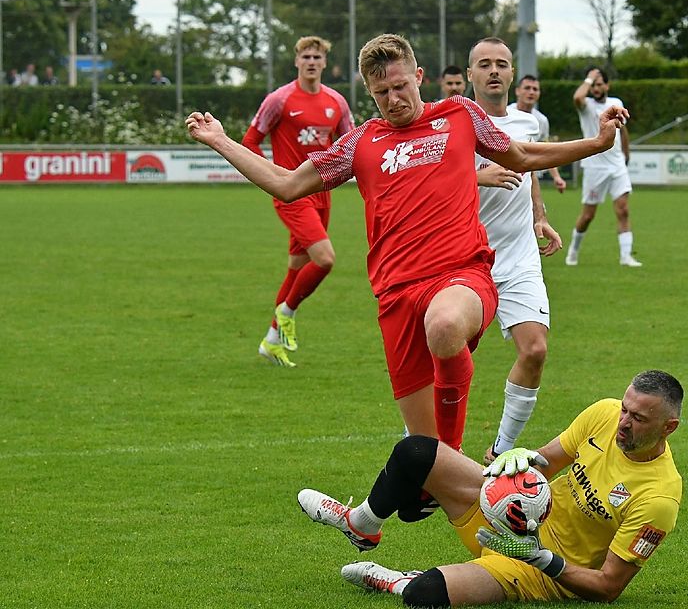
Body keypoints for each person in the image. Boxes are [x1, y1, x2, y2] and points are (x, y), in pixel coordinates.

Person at [186, 33, 629, 452]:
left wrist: (596, 143)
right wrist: (221, 140)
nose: (394, 99)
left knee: (446, 329)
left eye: (401, 86)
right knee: (422, 454)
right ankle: (381, 512)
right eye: (382, 93)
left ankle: (466, 453)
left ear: (418, 77)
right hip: (395, 294)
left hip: (461, 274)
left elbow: (523, 155)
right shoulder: (360, 141)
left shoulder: (458, 114)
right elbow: (286, 184)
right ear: (369, 92)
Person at [297, 369, 683, 607]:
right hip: (509, 514)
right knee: (415, 451)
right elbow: (545, 463)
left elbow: (608, 587)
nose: (623, 422)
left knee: (425, 595)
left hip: (542, 571)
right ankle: (362, 523)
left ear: (668, 427)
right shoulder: (603, 413)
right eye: (624, 409)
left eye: (638, 418)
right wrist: (518, 459)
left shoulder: (659, 498)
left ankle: (396, 579)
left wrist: (540, 559)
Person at [466, 39, 563, 465]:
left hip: (520, 256)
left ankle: (500, 452)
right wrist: (479, 178)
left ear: (511, 74)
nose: (493, 71)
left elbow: (528, 169)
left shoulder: (527, 123)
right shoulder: (452, 123)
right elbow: (433, 185)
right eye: (483, 64)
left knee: (535, 350)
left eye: (501, 64)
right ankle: (420, 443)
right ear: (470, 74)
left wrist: (539, 215)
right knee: (450, 360)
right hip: (468, 258)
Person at [241, 36, 355, 368]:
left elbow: (350, 143)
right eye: (305, 56)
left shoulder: (337, 101)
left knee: (297, 269)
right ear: (296, 62)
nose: (311, 61)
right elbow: (250, 141)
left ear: (323, 62)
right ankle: (287, 313)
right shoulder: (279, 99)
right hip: (292, 193)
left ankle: (271, 340)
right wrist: (273, 178)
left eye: (317, 57)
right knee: (325, 259)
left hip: (322, 193)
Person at [565, 68, 643, 268]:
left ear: (607, 86)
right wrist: (589, 78)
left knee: (623, 210)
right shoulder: (586, 105)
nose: (597, 88)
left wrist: (626, 154)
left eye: (600, 84)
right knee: (588, 215)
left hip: (617, 165)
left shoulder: (616, 103)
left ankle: (626, 256)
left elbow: (623, 130)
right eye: (594, 85)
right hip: (594, 166)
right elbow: (577, 96)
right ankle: (573, 250)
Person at [508, 74, 568, 192]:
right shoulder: (506, 113)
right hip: (507, 176)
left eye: (535, 89)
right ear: (517, 91)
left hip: (531, 179)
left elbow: (546, 149)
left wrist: (556, 177)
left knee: (538, 210)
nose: (531, 92)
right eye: (527, 88)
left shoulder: (541, 120)